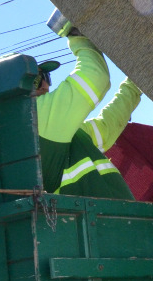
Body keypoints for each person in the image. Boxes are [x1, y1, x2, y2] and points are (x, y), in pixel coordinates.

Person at [35, 32, 141, 199]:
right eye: (37, 79)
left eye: (47, 77)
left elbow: (107, 126)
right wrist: (74, 33)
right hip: (98, 220)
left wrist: (135, 84)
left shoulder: (61, 132)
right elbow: (95, 75)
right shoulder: (34, 117)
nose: (46, 85)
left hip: (110, 218)